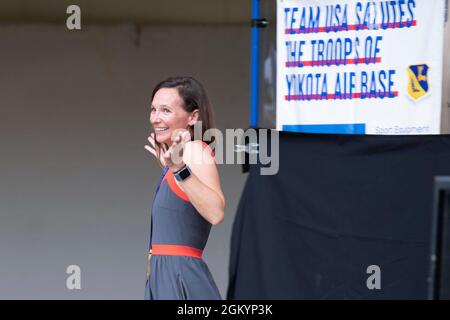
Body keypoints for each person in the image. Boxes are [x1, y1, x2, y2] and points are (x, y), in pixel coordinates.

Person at [143, 76, 225, 300]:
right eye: (154, 109)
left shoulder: (194, 151)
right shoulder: (179, 158)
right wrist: (171, 169)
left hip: (179, 277)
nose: (156, 118)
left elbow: (216, 212)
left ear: (193, 117)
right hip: (164, 275)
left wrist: (179, 169)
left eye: (166, 110)